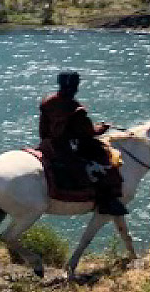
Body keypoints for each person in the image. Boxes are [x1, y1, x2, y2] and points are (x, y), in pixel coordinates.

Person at [37, 72, 128, 216]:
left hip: (48, 145)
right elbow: (89, 132)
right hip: (68, 148)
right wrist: (102, 128)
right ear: (75, 87)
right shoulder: (77, 109)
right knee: (104, 159)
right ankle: (106, 200)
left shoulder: (47, 102)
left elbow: (43, 129)